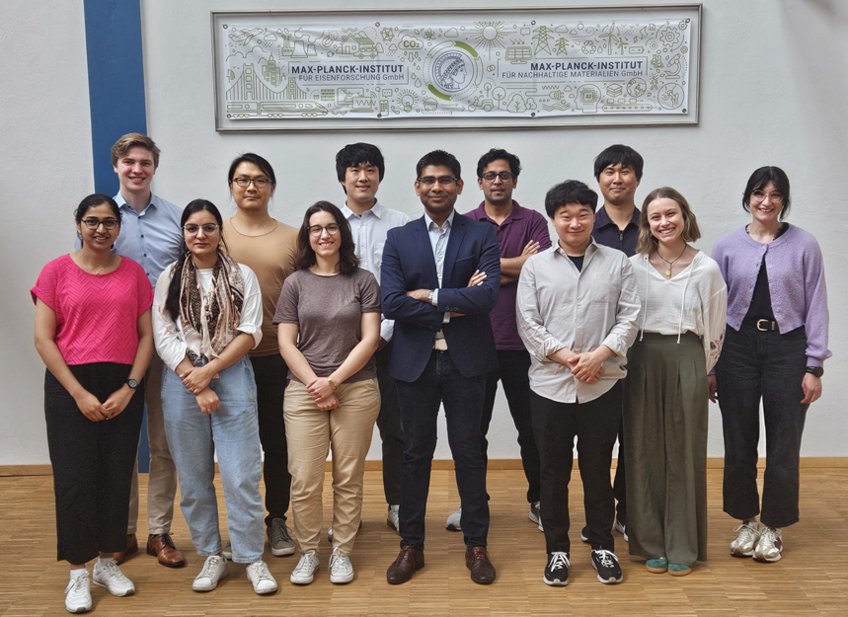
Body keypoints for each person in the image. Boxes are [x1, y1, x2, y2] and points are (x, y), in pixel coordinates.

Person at [382, 150, 501, 585]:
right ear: (417, 186)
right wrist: (455, 300)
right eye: (429, 180)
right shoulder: (399, 238)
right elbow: (391, 302)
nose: (437, 187)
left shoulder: (481, 234)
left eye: (446, 180)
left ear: (459, 187)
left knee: (470, 452)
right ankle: (411, 545)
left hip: (467, 363)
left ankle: (477, 544)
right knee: (415, 454)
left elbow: (487, 298)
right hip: (414, 364)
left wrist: (429, 296)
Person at [33, 194, 153, 613]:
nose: (100, 229)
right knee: (75, 480)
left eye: (108, 222)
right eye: (92, 221)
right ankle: (78, 573)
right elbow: (43, 338)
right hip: (70, 385)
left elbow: (146, 337)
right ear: (79, 224)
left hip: (122, 383)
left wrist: (131, 387)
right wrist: (78, 393)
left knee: (116, 475)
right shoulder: (56, 271)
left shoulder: (134, 274)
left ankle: (107, 561)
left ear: (119, 227)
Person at [517, 180, 640, 587]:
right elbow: (528, 323)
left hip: (602, 384)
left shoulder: (618, 262)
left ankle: (602, 544)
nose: (574, 222)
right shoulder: (536, 266)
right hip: (549, 386)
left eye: (582, 214)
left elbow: (630, 318)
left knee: (596, 470)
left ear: (594, 216)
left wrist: (599, 357)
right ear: (553, 220)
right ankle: (557, 550)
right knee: (552, 473)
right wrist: (569, 358)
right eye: (565, 215)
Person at [153, 200, 277, 595]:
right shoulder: (169, 277)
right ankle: (212, 554)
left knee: (241, 474)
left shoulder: (243, 275)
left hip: (233, 374)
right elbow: (164, 335)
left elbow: (251, 330)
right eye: (192, 228)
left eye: (208, 227)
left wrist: (211, 371)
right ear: (184, 234)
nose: (200, 235)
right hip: (182, 379)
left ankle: (251, 556)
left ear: (220, 231)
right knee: (193, 477)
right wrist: (197, 378)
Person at [711, 166, 830, 563]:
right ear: (748, 197)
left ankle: (773, 527)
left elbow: (816, 304)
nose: (766, 201)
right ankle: (746, 519)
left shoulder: (804, 244)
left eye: (775, 194)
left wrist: (814, 366)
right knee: (739, 438)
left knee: (783, 441)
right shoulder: (726, 246)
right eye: (759, 193)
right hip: (737, 348)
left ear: (784, 200)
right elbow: (712, 310)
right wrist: (711, 365)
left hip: (788, 347)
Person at [275, 201, 381, 585]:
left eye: (331, 227)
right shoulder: (295, 283)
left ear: (342, 233)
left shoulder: (363, 280)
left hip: (356, 388)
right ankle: (307, 553)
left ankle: (341, 552)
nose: (324, 234)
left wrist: (333, 381)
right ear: (308, 236)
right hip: (304, 392)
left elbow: (370, 340)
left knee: (348, 476)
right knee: (303, 477)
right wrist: (316, 385)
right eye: (316, 228)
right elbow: (287, 343)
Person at [445, 148, 549, 532]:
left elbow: (539, 269)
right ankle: (473, 504)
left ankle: (539, 500)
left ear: (515, 180)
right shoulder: (464, 222)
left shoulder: (534, 220)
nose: (497, 181)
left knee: (532, 431)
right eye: (490, 175)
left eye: (504, 175)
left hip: (524, 345)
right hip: (472, 343)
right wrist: (512, 266)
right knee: (470, 433)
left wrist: (486, 269)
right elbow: (456, 281)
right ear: (478, 182)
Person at [625, 187, 727, 576]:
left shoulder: (707, 268)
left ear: (684, 216)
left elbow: (716, 328)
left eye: (671, 214)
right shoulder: (633, 267)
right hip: (642, 356)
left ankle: (683, 544)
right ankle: (651, 543)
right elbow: (626, 320)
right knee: (643, 451)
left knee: (684, 452)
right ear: (646, 224)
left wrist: (702, 370)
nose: (664, 222)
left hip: (688, 356)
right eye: (655, 217)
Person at [109, 133, 186, 567]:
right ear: (116, 166)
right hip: (117, 344)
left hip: (166, 345)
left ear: (154, 167)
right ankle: (120, 532)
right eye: (129, 162)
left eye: (145, 162)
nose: (137, 169)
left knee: (163, 443)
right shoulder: (102, 217)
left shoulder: (176, 218)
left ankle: (159, 532)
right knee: (120, 442)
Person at [222, 153, 298, 557]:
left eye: (260, 179)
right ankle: (243, 524)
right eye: (242, 179)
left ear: (271, 186)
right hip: (229, 361)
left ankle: (277, 520)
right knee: (238, 448)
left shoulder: (293, 237)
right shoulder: (216, 235)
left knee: (277, 444)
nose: (250, 187)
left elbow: (306, 296)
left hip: (277, 357)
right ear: (231, 186)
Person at [335, 142, 409, 535]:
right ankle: (348, 512)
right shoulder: (328, 224)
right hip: (337, 347)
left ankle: (397, 504)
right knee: (345, 434)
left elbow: (410, 284)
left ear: (380, 174)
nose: (363, 177)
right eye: (354, 170)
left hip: (391, 343)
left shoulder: (401, 222)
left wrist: (380, 335)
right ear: (342, 177)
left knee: (395, 428)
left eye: (370, 169)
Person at [590, 143, 645, 543]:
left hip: (643, 348)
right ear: (599, 180)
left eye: (625, 171)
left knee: (635, 435)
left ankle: (627, 510)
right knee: (597, 437)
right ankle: (599, 514)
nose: (617, 178)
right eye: (609, 171)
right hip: (595, 351)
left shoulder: (655, 225)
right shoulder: (584, 227)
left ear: (637, 179)